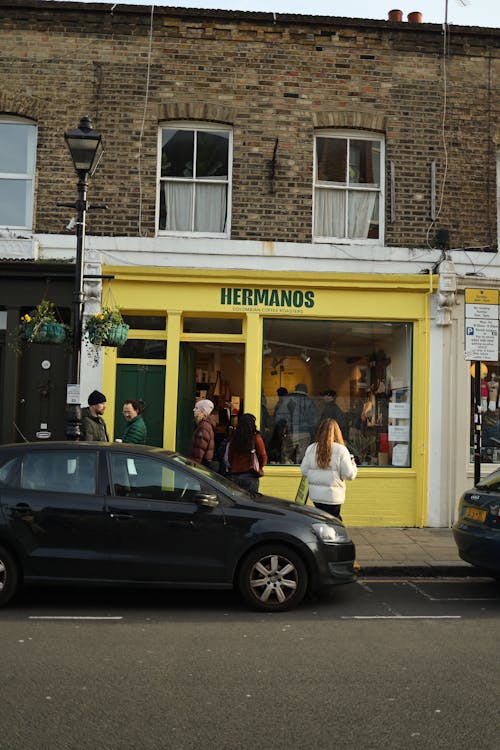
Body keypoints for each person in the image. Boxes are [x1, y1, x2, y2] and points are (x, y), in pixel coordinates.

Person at [300, 418, 357, 520]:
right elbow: (349, 475)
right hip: (333, 496)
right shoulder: (341, 450)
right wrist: (353, 464)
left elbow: (304, 470)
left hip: (316, 496)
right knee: (334, 523)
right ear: (337, 432)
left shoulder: (311, 448)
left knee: (321, 520)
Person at [274, 383, 317, 463]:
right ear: (306, 390)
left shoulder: (286, 399)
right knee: (302, 459)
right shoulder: (309, 401)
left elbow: (279, 418)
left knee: (286, 457)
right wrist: (312, 433)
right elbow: (313, 421)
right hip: (305, 433)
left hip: (290, 433)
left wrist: (282, 430)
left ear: (295, 388)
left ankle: (286, 472)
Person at [228, 413, 267, 495]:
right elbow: (263, 457)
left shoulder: (234, 437)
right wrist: (259, 466)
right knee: (250, 503)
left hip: (235, 475)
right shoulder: (255, 438)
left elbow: (230, 456)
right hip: (250, 475)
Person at [188, 399, 217, 468]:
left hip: (199, 466)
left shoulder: (204, 426)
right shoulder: (205, 425)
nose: (194, 410)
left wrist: (194, 467)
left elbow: (199, 450)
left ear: (203, 411)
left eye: (197, 408)